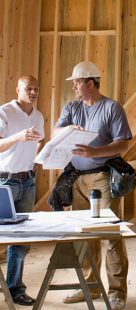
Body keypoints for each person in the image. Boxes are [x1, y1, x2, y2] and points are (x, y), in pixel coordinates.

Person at [54, 61, 131, 310]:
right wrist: (67, 130)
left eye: (77, 82)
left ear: (90, 83)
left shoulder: (112, 108)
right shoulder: (72, 107)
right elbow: (56, 133)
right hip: (76, 179)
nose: (74, 86)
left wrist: (94, 151)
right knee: (84, 235)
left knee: (109, 235)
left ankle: (117, 291)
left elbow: (122, 144)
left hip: (102, 177)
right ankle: (90, 286)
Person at [0, 75, 44, 306]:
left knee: (22, 238)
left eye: (36, 89)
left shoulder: (38, 116)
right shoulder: (5, 112)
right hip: (4, 183)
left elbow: (42, 139)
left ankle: (15, 289)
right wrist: (18, 137)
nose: (33, 92)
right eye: (29, 88)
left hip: (27, 183)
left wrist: (36, 161)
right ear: (18, 89)